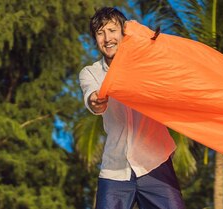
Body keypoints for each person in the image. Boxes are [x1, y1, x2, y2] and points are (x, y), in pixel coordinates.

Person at [78, 7, 185, 209]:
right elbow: (92, 97)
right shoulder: (90, 73)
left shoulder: (147, 65)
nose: (107, 38)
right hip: (114, 172)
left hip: (155, 165)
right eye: (100, 33)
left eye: (112, 30)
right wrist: (95, 100)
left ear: (123, 33)